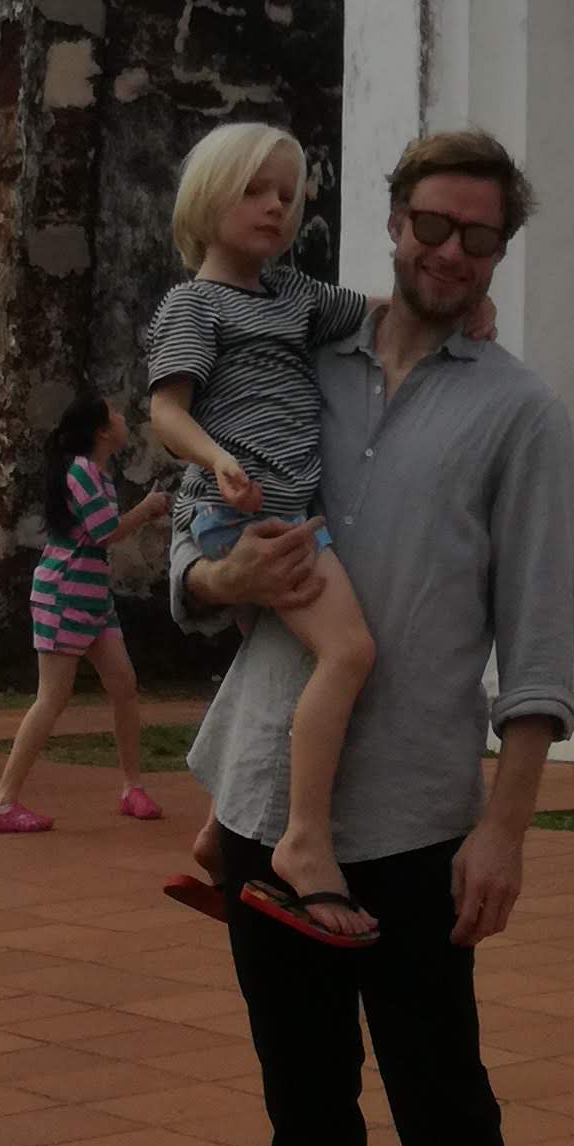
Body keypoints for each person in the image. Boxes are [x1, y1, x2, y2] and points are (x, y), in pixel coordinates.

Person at [179, 126, 574, 1146]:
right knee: (306, 1120)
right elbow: (188, 556)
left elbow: (537, 652)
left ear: (498, 257)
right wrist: (217, 568)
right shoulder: (296, 357)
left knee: (444, 1115)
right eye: (429, 225)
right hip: (259, 808)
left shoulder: (519, 414)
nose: (448, 254)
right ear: (392, 224)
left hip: (411, 820)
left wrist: (505, 832)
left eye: (478, 237)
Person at [146, 124, 381, 947]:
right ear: (209, 197)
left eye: (288, 193)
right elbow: (166, 409)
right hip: (245, 516)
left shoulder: (298, 297)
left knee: (279, 659)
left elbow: (387, 314)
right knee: (348, 652)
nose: (276, 205)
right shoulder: (193, 303)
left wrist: (473, 303)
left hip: (279, 511)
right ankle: (303, 839)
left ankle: (218, 834)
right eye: (255, 189)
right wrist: (219, 458)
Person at [0, 394, 170, 833]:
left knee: (123, 685)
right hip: (66, 593)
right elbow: (105, 532)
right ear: (102, 430)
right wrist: (145, 510)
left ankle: (132, 786)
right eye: (116, 414)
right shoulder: (83, 472)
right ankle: (3, 801)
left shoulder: (95, 473)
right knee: (52, 698)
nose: (124, 419)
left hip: (90, 596)